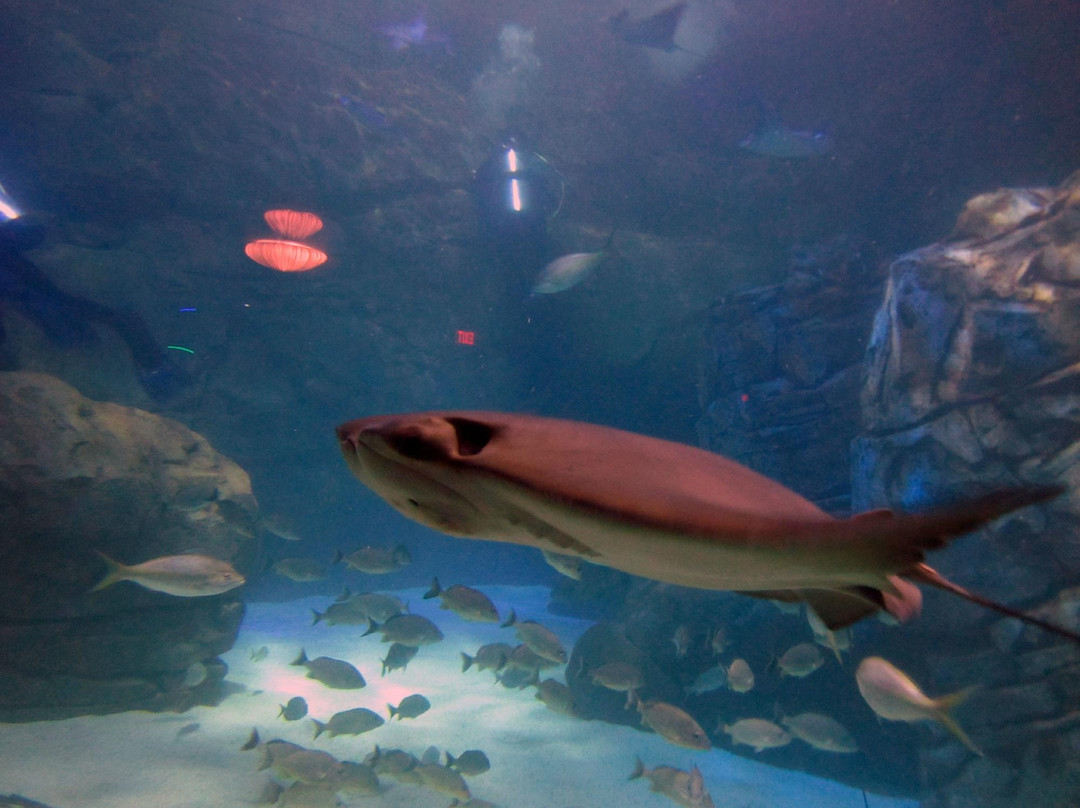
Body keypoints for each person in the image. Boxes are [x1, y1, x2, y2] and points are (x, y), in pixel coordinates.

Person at [0, 181, 189, 402]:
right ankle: (158, 372)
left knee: (78, 313)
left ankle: (158, 372)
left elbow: (28, 231)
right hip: (26, 280)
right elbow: (29, 232)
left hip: (26, 278)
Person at [472, 132, 565, 289]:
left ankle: (515, 298)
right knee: (540, 272)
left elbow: (479, 195)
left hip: (502, 229)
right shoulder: (533, 163)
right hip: (534, 226)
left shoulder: (490, 164)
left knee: (508, 273)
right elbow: (552, 197)